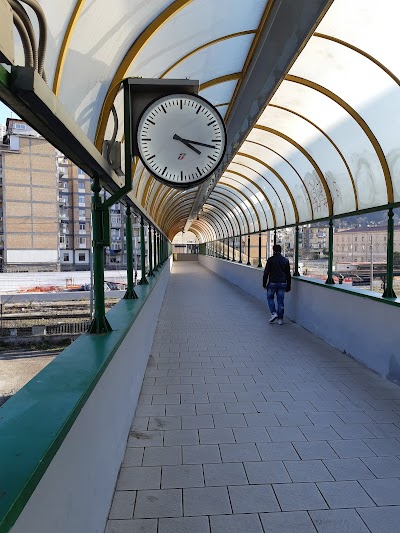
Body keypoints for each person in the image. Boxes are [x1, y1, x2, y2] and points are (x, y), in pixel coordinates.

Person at [262, 244, 291, 325]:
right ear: (281, 250)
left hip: (272, 283)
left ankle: (273, 313)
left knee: (270, 298)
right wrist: (288, 285)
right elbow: (288, 274)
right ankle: (280, 319)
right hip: (282, 283)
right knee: (280, 301)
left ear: (273, 250)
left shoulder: (270, 260)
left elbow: (266, 273)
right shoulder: (285, 260)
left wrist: (264, 283)